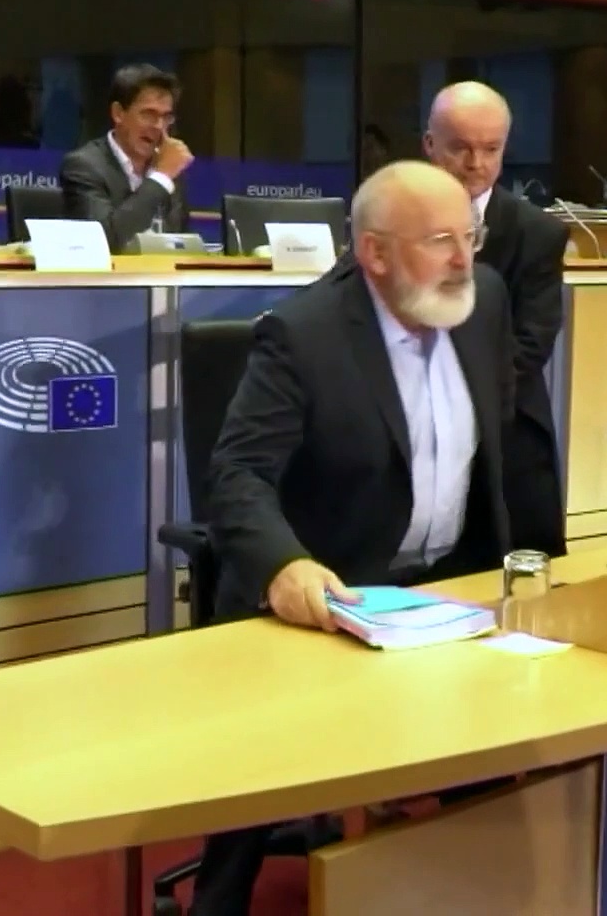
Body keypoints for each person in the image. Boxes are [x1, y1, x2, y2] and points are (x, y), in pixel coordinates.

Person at [189, 161, 516, 916]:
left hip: (449, 588)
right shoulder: (303, 335)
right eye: (439, 241)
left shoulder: (483, 301)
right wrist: (285, 566)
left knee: (503, 765)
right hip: (331, 593)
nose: (463, 259)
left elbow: (499, 446)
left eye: (469, 236)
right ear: (375, 253)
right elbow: (237, 473)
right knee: (254, 779)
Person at [424, 81, 570, 557]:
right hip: (410, 430)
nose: (476, 163)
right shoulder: (393, 218)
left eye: (491, 149)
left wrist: (451, 399)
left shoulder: (537, 233)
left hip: (505, 429)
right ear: (430, 145)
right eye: (461, 148)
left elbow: (530, 345)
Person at [58, 64, 191, 251]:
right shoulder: (83, 166)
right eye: (148, 114)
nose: (159, 126)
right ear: (118, 113)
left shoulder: (169, 169)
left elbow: (181, 245)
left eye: (166, 117)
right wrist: (160, 178)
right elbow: (102, 243)